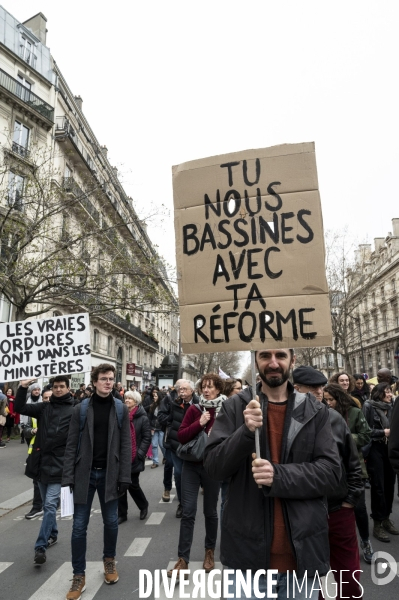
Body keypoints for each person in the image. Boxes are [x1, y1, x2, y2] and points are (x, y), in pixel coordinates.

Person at [204, 349, 341, 600]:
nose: (274, 363)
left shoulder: (314, 410)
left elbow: (331, 473)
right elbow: (213, 467)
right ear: (255, 361)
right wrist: (245, 433)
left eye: (281, 355)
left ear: (293, 360)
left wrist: (278, 476)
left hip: (302, 558)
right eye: (265, 355)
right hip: (248, 561)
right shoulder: (235, 406)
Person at [61, 363, 131, 600]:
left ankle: (109, 561)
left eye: (111, 378)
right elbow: (71, 445)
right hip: (85, 475)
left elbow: (125, 444)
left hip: (110, 475)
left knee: (111, 522)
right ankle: (78, 575)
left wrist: (124, 476)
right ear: (94, 381)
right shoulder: (80, 409)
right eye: (104, 378)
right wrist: (68, 477)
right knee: (79, 527)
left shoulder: (120, 409)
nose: (108, 382)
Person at [293, 367, 364, 598]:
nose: (319, 392)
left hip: (338, 509)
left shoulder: (334, 418)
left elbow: (353, 463)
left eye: (321, 387)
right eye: (312, 387)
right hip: (303, 512)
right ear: (296, 389)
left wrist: (350, 500)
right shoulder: (286, 423)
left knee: (348, 577)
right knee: (311, 578)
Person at [167, 373, 225, 579]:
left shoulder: (225, 411)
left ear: (219, 389)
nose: (207, 390)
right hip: (191, 466)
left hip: (213, 468)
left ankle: (209, 552)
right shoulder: (195, 409)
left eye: (211, 387)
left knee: (210, 512)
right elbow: (181, 435)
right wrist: (200, 423)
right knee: (188, 512)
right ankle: (183, 559)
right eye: (204, 387)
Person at [14, 375, 75, 566]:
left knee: (49, 506)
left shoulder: (75, 410)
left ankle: (40, 546)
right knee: (48, 506)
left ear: (68, 388)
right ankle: (53, 533)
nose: (58, 389)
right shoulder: (44, 408)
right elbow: (19, 408)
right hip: (40, 465)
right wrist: (23, 387)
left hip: (60, 466)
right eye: (55, 386)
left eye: (61, 386)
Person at [323, 383, 373, 564]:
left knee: (359, 509)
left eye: (331, 399)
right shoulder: (323, 417)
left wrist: (345, 436)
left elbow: (366, 435)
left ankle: (366, 542)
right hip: (336, 478)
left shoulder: (354, 412)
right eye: (325, 399)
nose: (328, 403)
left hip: (355, 466)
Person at [363, 382, 398, 541]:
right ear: (378, 393)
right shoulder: (369, 406)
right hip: (376, 448)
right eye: (386, 392)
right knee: (378, 487)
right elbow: (365, 430)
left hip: (389, 448)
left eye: (390, 391)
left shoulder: (393, 406)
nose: (390, 394)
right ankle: (377, 522)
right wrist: (383, 432)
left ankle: (386, 519)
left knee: (390, 485)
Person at [159, 380, 199, 517]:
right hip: (176, 446)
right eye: (180, 389)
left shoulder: (199, 403)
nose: (181, 391)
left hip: (193, 447)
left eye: (184, 389)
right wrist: (171, 421)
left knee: (191, 476)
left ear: (192, 391)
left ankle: (189, 503)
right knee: (179, 474)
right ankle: (182, 504)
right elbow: (161, 417)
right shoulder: (172, 402)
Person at [118, 391, 151, 524]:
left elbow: (146, 437)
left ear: (136, 401)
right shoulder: (120, 415)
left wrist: (139, 453)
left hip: (134, 456)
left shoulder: (142, 418)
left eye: (130, 399)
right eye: (126, 398)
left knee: (132, 484)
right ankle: (122, 513)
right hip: (121, 455)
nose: (127, 400)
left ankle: (143, 505)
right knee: (120, 484)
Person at [22, 383, 44, 520]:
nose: (37, 391)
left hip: (48, 448)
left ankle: (41, 505)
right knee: (37, 478)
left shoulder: (46, 406)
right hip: (33, 446)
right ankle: (38, 506)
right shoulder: (28, 407)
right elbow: (24, 427)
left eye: (38, 389)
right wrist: (31, 431)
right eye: (34, 389)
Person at [148, 388, 164, 469]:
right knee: (154, 445)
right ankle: (155, 462)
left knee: (162, 444)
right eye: (154, 396)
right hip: (154, 428)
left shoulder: (163, 405)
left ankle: (166, 457)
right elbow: (150, 417)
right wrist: (150, 426)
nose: (154, 397)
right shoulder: (152, 405)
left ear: (159, 397)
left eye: (156, 396)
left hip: (161, 428)